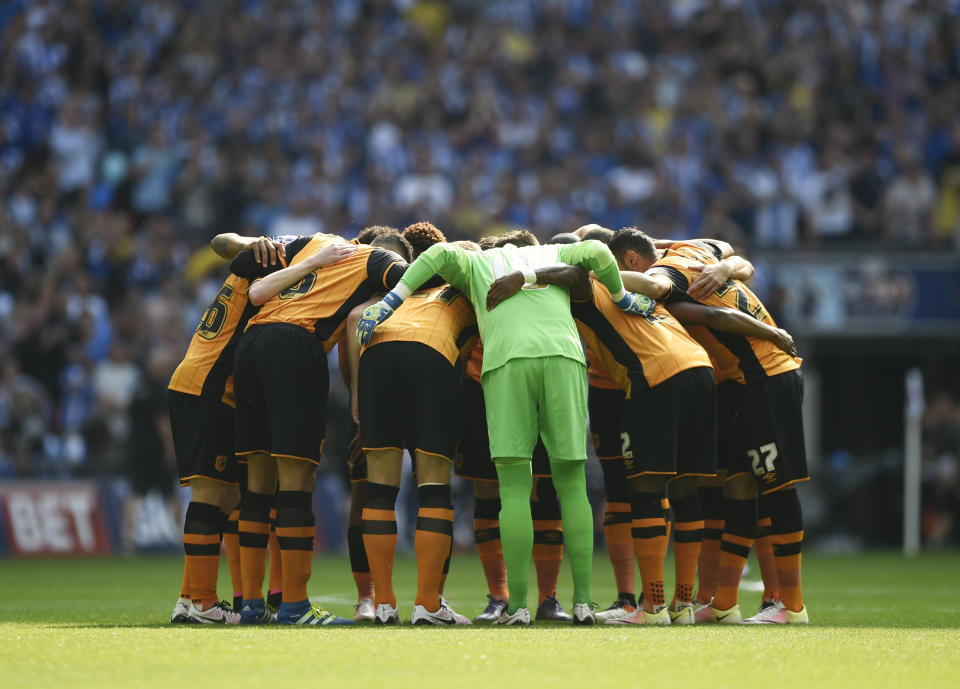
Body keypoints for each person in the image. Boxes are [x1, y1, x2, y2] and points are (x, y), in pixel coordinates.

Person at [357, 230, 656, 625]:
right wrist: (623, 298)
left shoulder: (477, 261)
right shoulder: (555, 251)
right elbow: (601, 251)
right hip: (563, 356)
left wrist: (391, 301)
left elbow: (438, 254)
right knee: (571, 482)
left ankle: (516, 606)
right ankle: (582, 601)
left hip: (506, 361)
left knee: (513, 487)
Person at [614, 228, 809, 624]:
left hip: (767, 374)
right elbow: (741, 260)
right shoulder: (697, 248)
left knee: (777, 488)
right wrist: (724, 267)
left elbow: (690, 302)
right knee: (739, 484)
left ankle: (792, 605)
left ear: (632, 260)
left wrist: (595, 274)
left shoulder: (668, 279)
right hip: (743, 382)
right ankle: (724, 604)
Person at [168, 233, 353, 623]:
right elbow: (226, 246)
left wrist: (240, 243)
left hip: (198, 377)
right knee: (213, 498)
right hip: (214, 384)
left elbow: (223, 243)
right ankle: (202, 603)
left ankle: (192, 598)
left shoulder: (267, 256)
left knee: (228, 496)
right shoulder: (278, 269)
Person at [232, 232, 405, 626]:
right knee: (296, 482)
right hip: (295, 347)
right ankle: (294, 607)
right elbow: (417, 279)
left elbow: (239, 261)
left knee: (257, 485)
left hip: (251, 343)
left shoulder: (310, 242)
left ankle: (251, 606)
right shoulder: (377, 259)